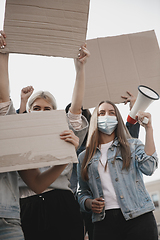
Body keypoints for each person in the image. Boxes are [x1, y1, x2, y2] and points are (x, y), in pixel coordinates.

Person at [0, 31, 90, 240]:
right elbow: (4, 100)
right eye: (37, 108)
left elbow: (76, 108)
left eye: (48, 109)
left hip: (61, 204)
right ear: (29, 112)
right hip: (26, 209)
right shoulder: (20, 135)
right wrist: (4, 54)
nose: (42, 112)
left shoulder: (65, 132)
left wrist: (80, 69)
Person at [77, 100, 159, 240]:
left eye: (111, 113)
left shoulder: (132, 145)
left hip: (139, 218)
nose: (106, 116)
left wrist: (148, 129)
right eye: (101, 113)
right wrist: (89, 203)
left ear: (117, 118)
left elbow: (149, 167)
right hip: (104, 223)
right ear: (95, 119)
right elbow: (82, 192)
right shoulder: (84, 157)